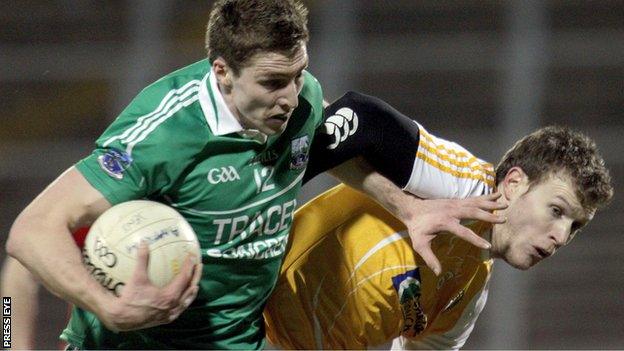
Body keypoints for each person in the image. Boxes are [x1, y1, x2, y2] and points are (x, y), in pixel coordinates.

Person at [4, 1, 502, 349]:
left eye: (298, 74)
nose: (290, 96)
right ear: (222, 72)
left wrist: (408, 207)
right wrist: (105, 310)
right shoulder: (164, 136)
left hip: (234, 342)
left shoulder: (300, 102)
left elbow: (326, 147)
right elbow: (30, 234)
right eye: (271, 82)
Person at [264, 97, 613, 349]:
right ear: (513, 183)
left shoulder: (467, 295)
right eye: (557, 210)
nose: (561, 236)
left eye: (575, 226)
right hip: (243, 308)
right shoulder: (462, 184)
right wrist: (264, 195)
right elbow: (361, 116)